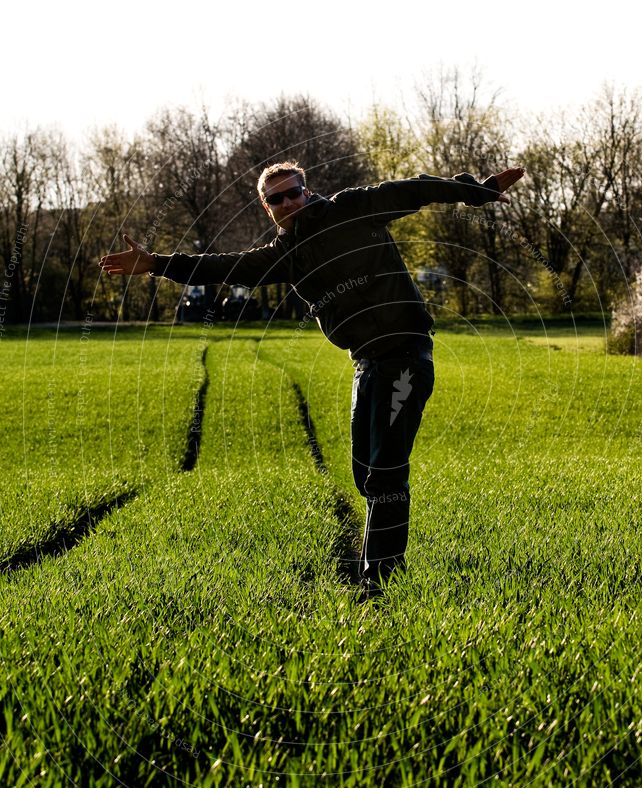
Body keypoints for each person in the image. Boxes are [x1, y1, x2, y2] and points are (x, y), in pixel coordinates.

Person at [99, 161, 525, 599]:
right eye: (276, 198)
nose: (288, 202)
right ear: (268, 209)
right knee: (365, 474)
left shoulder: (351, 208)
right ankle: (380, 570)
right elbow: (224, 267)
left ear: (307, 190)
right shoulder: (286, 254)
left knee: (385, 475)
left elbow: (412, 191)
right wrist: (157, 263)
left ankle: (379, 585)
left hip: (406, 356)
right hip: (367, 364)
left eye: (293, 192)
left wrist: (478, 190)